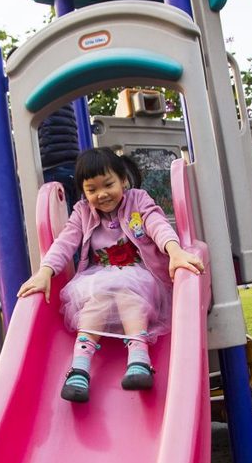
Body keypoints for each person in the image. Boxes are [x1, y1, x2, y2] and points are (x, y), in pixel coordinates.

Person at [17, 147, 204, 402]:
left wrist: (175, 252)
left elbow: (156, 224)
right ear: (84, 191)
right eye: (92, 189)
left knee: (129, 297)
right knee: (95, 302)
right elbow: (65, 242)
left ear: (123, 180)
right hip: (101, 275)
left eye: (108, 185)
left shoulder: (138, 200)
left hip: (140, 275)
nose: (102, 194)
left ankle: (139, 360)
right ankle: (80, 368)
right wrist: (44, 272)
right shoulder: (82, 212)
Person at [38, 104, 80, 212]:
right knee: (75, 210)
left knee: (57, 213)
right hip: (72, 159)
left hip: (51, 161)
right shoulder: (67, 98)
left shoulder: (40, 99)